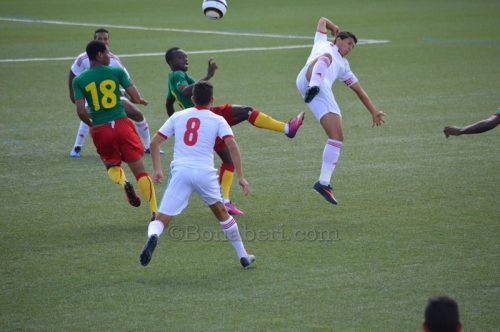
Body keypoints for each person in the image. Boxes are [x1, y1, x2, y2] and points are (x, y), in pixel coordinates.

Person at [165, 47, 305, 214]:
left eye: (186, 56)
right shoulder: (177, 75)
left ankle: (225, 201)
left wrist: (175, 124)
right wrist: (208, 76)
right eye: (181, 57)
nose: (186, 59)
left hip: (201, 123)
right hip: (207, 115)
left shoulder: (171, 78)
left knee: (228, 160)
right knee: (247, 111)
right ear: (171, 62)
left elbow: (168, 102)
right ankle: (287, 128)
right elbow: (185, 91)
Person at [140, 81, 255, 269]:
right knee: (222, 214)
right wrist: (241, 177)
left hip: (181, 172)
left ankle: (153, 236)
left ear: (192, 99)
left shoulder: (178, 116)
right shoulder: (218, 119)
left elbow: (154, 143)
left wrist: (157, 169)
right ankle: (243, 256)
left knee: (161, 219)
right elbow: (233, 147)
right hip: (205, 173)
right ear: (212, 100)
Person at [296, 17, 386, 205]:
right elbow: (321, 20)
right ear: (339, 39)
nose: (350, 48)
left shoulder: (345, 67)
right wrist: (334, 27)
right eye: (349, 43)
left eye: (353, 47)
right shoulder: (323, 43)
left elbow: (359, 91)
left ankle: (323, 183)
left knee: (337, 136)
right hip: (308, 77)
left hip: (322, 91)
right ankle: (313, 86)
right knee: (325, 58)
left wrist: (374, 111)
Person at [72, 40, 158, 221]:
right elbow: (134, 98)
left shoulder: (79, 80)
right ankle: (154, 211)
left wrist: (92, 125)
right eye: (108, 52)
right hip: (122, 124)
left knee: (111, 165)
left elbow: (80, 111)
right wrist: (136, 97)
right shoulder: (116, 71)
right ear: (99, 54)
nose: (110, 56)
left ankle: (123, 182)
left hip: (101, 129)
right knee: (140, 169)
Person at [68, 28, 162, 157]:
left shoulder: (114, 60)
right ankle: (77, 147)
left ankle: (147, 146)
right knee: (89, 112)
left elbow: (128, 81)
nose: (103, 41)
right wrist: (72, 95)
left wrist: (136, 98)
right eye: (99, 39)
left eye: (105, 39)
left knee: (136, 114)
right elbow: (73, 75)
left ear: (109, 41)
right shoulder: (83, 59)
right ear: (94, 41)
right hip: (91, 97)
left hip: (113, 95)